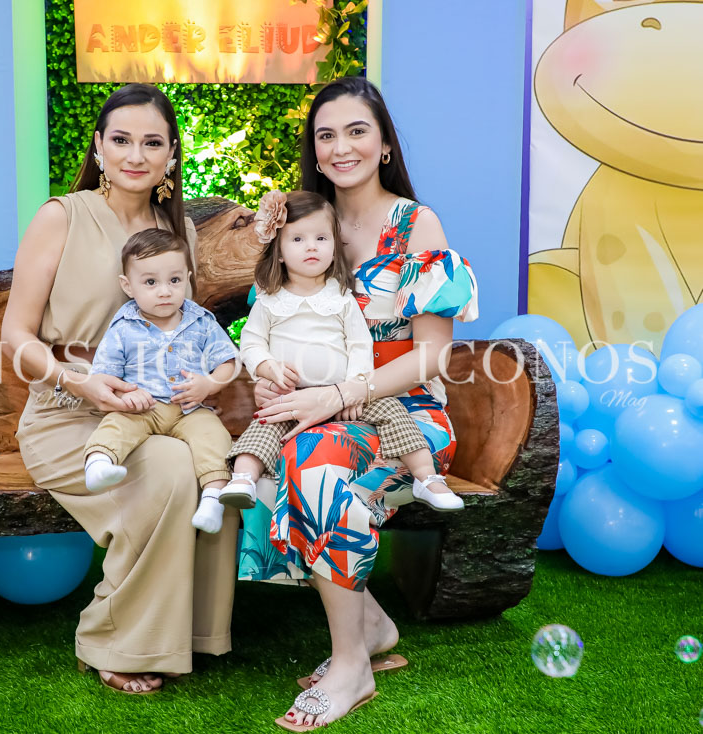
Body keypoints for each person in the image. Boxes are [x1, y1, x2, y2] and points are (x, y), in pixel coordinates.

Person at [238, 76, 478, 730]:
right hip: (315, 411)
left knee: (314, 467)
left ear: (384, 144)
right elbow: (267, 328)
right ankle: (370, 625)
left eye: (356, 131)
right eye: (326, 135)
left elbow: (433, 355)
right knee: (268, 466)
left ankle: (351, 665)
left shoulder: (416, 224)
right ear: (314, 153)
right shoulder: (302, 225)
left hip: (407, 420)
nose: (341, 146)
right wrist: (268, 378)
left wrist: (342, 392)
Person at [1, 84, 239, 695]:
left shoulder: (177, 230)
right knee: (168, 469)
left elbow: (185, 326)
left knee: (210, 464)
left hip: (157, 410)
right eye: (122, 140)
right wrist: (80, 382)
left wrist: (206, 381)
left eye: (152, 142)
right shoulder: (62, 216)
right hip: (66, 413)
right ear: (99, 146)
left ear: (172, 154)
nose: (136, 155)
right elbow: (14, 338)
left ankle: (189, 631)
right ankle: (115, 637)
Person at [222, 189, 462, 515]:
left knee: (394, 415)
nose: (311, 246)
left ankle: (427, 479)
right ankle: (243, 480)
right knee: (263, 428)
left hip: (350, 398)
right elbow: (251, 344)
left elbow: (360, 344)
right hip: (294, 396)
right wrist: (267, 370)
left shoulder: (341, 297)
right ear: (278, 253)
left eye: (321, 239)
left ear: (335, 248)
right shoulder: (269, 300)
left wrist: (351, 389)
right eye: (298, 240)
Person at [83, 227, 239, 535]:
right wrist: (124, 395)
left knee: (214, 436)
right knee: (117, 424)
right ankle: (99, 464)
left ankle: (212, 499)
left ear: (187, 279)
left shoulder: (201, 322)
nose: (165, 291)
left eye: (175, 280)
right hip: (143, 407)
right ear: (128, 286)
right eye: (151, 282)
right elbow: (105, 374)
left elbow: (228, 362)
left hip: (189, 411)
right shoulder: (123, 326)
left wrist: (208, 384)